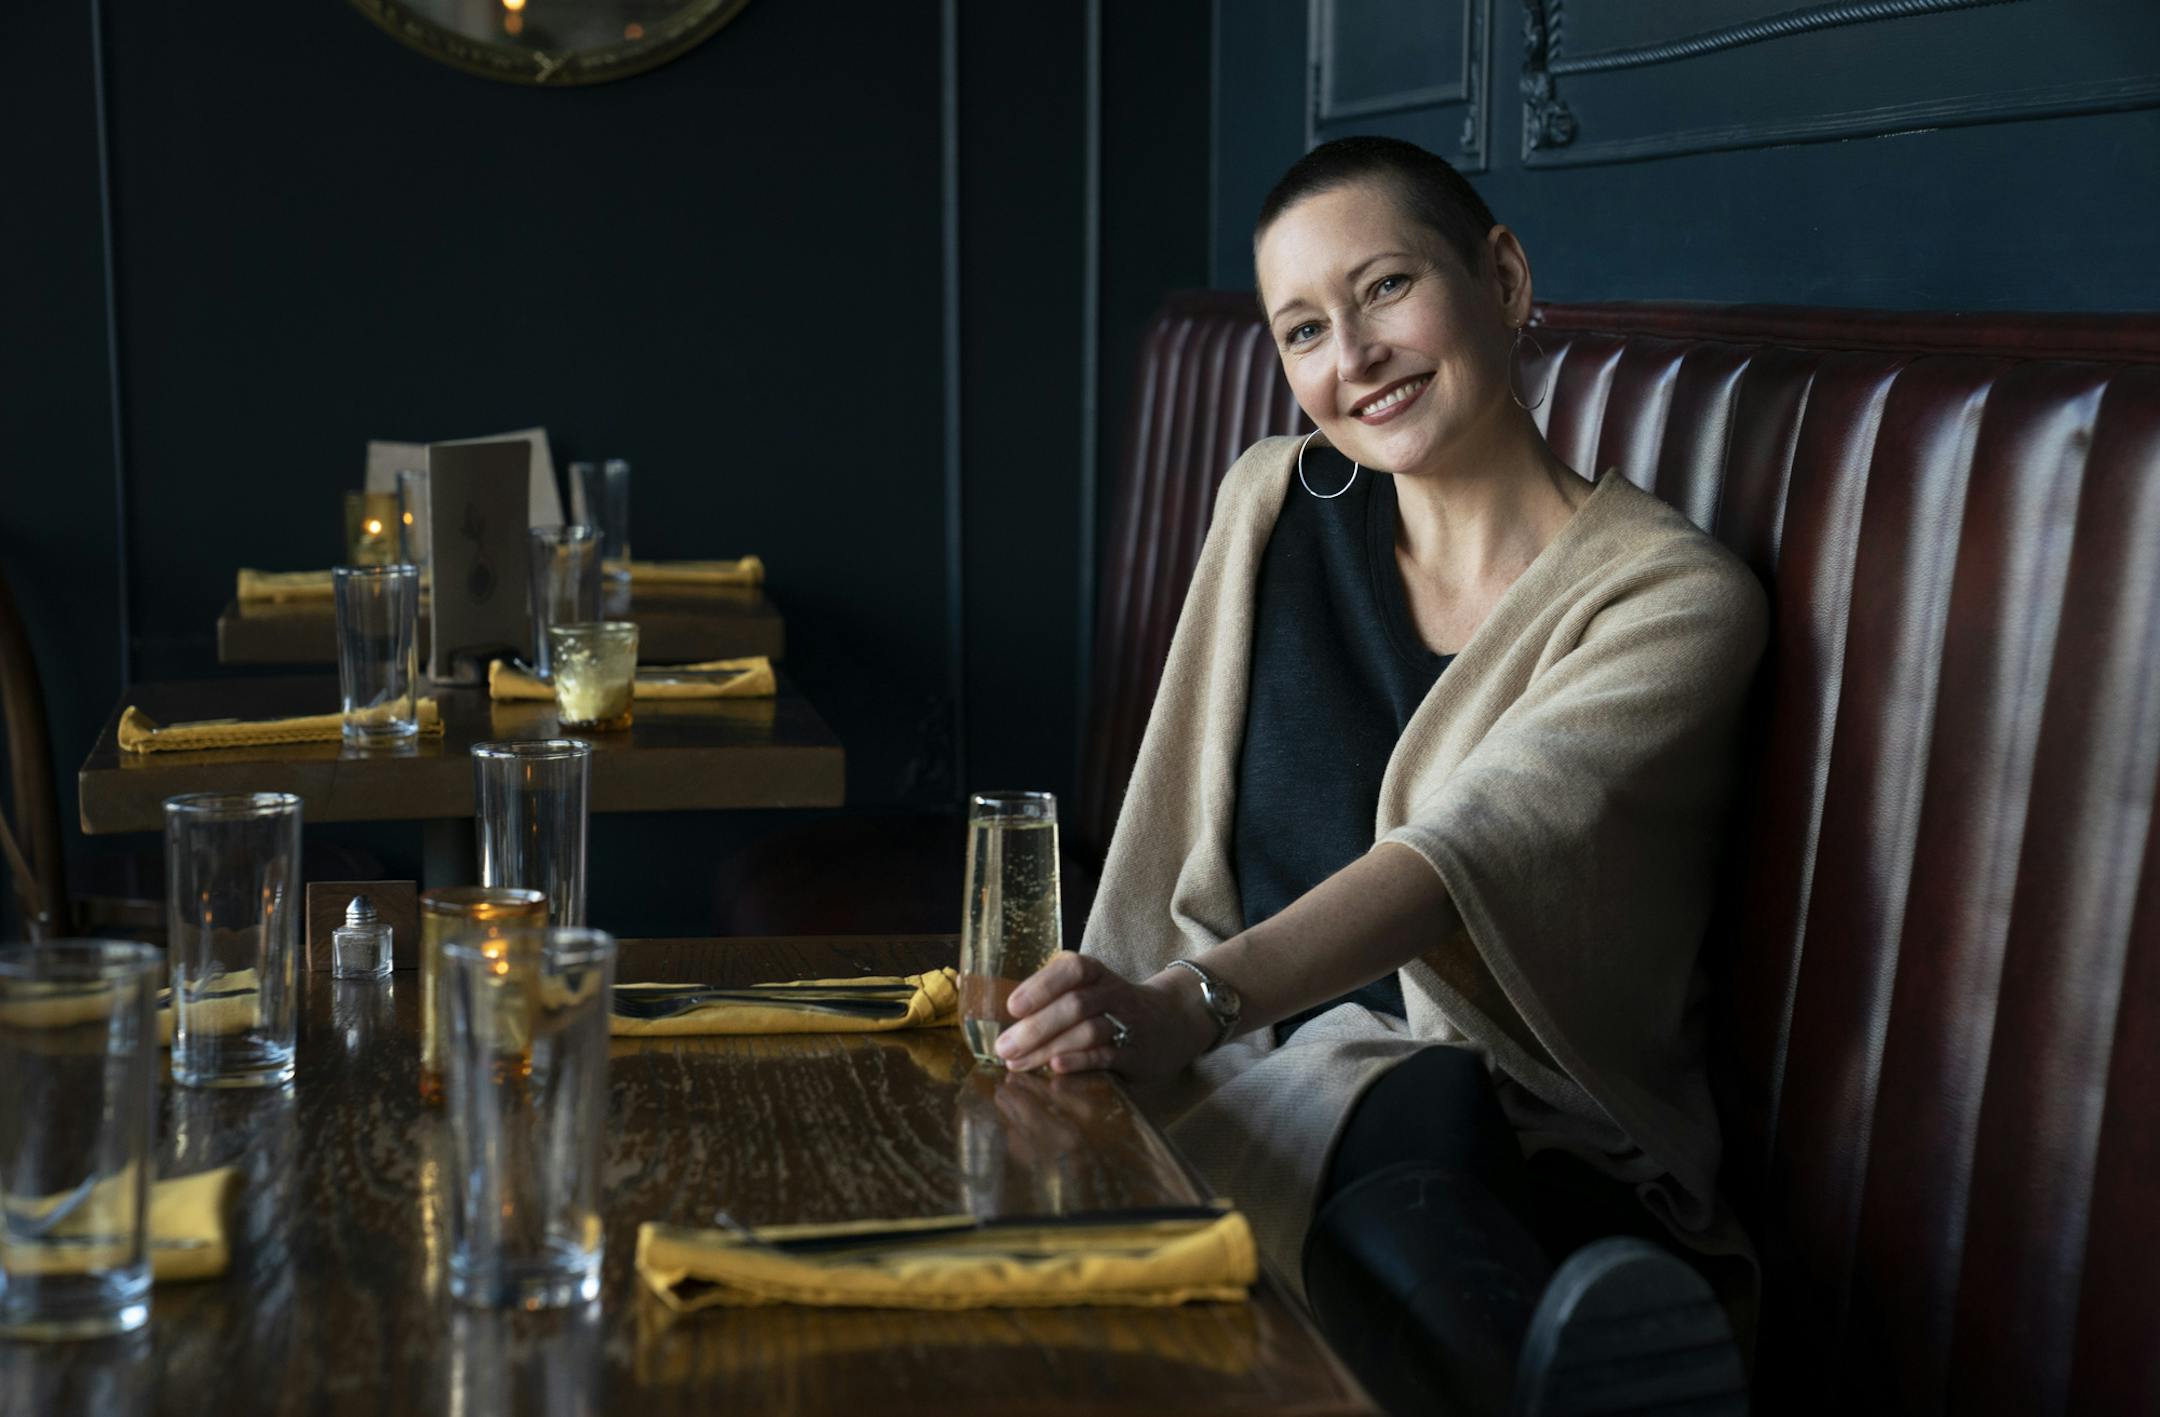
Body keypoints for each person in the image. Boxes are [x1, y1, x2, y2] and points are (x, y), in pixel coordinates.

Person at [990, 136, 1767, 1415]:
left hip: (1522, 1128)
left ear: (1503, 278)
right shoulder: (1270, 507)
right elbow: (1170, 823)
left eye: (1386, 288)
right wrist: (1125, 1008)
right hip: (1235, 1069)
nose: (1350, 360)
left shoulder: (1672, 599)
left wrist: (1191, 1003)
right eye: (1302, 331)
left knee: (1411, 1088)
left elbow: (1460, 856)